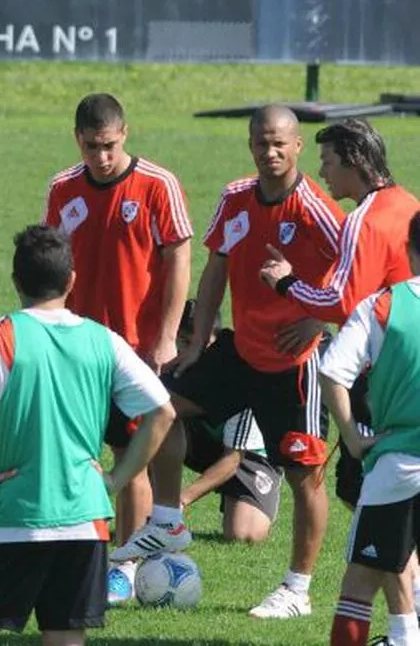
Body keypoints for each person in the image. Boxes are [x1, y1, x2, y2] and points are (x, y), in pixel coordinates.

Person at [112, 105, 346, 619]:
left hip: (294, 363)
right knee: (159, 407)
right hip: (240, 352)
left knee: (305, 475)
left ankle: (297, 589)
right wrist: (197, 342)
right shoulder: (236, 197)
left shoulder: (316, 208)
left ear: (297, 146)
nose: (270, 152)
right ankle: (168, 519)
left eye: (280, 143)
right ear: (250, 145)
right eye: (261, 142)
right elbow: (215, 268)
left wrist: (316, 320)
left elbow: (354, 270)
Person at [0, 224, 175, 645]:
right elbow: (163, 411)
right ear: (71, 280)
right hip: (84, 522)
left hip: (15, 518)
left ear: (16, 281)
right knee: (65, 635)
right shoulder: (103, 340)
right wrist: (116, 479)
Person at [42, 93, 192, 603]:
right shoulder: (63, 188)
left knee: (131, 456)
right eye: (91, 147)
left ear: (124, 134)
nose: (101, 157)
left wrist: (167, 335)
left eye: (108, 145)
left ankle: (125, 566)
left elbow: (178, 259)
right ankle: (79, 557)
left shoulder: (158, 184)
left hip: (136, 349)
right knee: (75, 455)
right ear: (77, 140)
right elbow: (52, 266)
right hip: (79, 346)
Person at [317, 210, 420, 646]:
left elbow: (331, 372)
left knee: (361, 578)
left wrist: (353, 438)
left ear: (409, 251)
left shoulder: (383, 306)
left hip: (398, 464)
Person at [176, 301, 282, 544]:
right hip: (198, 445)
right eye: (183, 342)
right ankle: (152, 510)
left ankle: (236, 495)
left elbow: (233, 460)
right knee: (158, 423)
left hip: (245, 457)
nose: (191, 351)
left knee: (244, 536)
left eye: (200, 343)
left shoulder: (236, 377)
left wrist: (181, 500)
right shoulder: (169, 370)